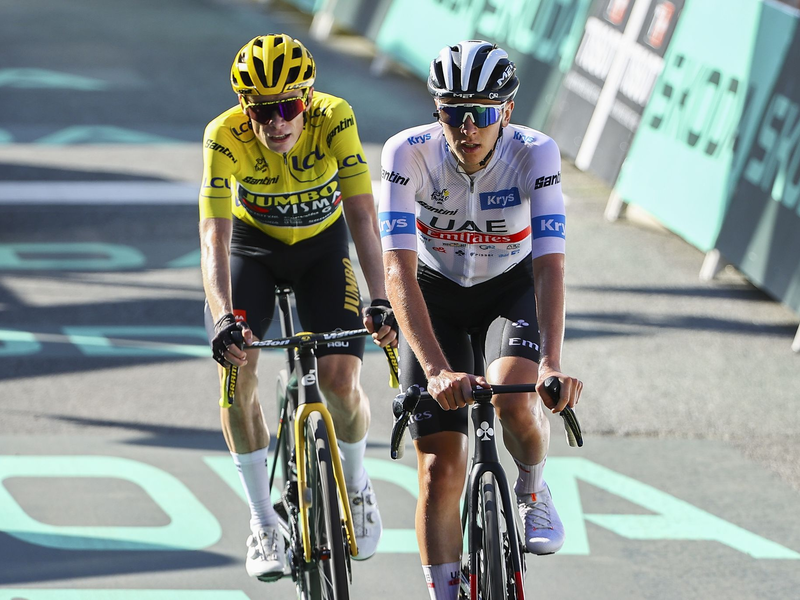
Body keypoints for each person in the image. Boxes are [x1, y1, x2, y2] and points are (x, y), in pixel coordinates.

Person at [379, 40, 583, 599]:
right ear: (436, 111)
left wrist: (552, 362)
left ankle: (534, 489)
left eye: (483, 114)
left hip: (511, 286)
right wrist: (436, 369)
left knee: (515, 399)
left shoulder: (536, 153)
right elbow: (396, 270)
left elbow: (549, 266)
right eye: (452, 112)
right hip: (435, 293)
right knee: (439, 470)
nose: (467, 128)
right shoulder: (406, 154)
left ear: (508, 112)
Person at [199, 33, 395, 579]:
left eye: (289, 106)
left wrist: (381, 298)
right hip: (252, 251)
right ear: (246, 109)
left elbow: (361, 215)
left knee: (338, 381)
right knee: (237, 379)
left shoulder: (336, 118)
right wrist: (222, 317)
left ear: (306, 99)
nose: (276, 123)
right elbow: (213, 236)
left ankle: (355, 485)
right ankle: (264, 520)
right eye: (262, 111)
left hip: (321, 249)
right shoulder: (223, 137)